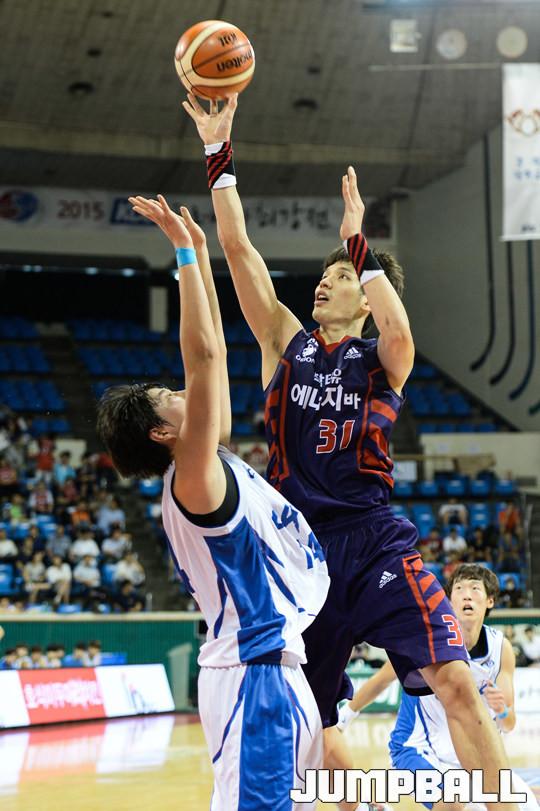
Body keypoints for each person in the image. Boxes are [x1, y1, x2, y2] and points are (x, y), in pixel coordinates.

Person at [183, 93, 519, 811]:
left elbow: (401, 330)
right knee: (316, 722)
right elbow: (238, 250)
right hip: (297, 555)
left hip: (373, 542)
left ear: (365, 295)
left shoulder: (382, 359)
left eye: (339, 277)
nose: (323, 282)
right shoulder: (285, 342)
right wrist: (218, 152)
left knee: (456, 681)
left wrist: (358, 244)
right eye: (326, 274)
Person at [96, 194, 329, 810]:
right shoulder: (192, 481)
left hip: (274, 669)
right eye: (169, 396)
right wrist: (180, 254)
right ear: (160, 432)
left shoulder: (212, 460)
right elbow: (202, 358)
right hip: (252, 674)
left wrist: (199, 256)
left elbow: (215, 360)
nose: (184, 393)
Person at [337, 564, 538, 811]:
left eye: (475, 589)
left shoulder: (501, 648)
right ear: (449, 601)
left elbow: (508, 723)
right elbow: (382, 680)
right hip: (417, 751)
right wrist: (344, 719)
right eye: (459, 589)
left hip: (471, 758)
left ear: (490, 601)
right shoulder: (428, 640)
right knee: (456, 800)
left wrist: (502, 710)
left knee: (527, 805)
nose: (467, 595)